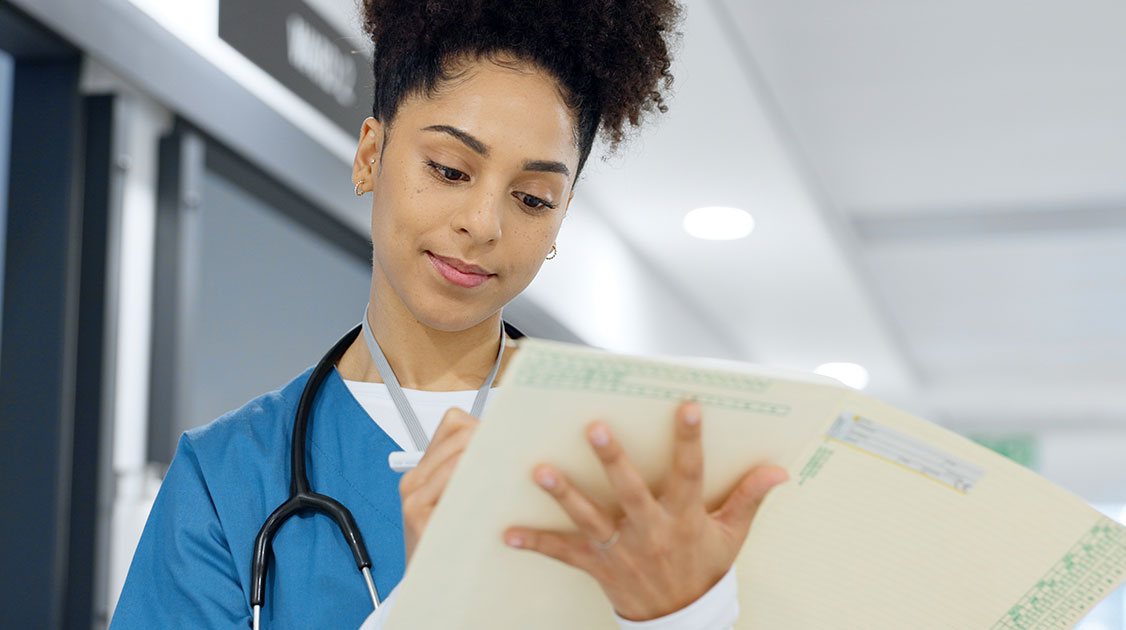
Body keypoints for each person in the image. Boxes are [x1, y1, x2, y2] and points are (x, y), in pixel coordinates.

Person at [110, 1, 789, 628]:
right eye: (450, 170)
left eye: (531, 198)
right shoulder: (228, 476)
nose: (482, 223)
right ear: (371, 154)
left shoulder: (633, 462)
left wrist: (682, 616)